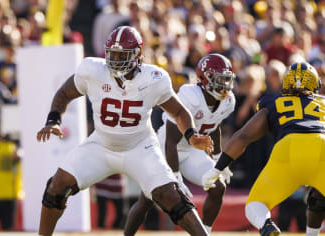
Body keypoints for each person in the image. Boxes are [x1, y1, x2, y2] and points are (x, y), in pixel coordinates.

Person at [36, 26, 213, 236]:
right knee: (56, 187)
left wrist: (191, 135)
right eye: (112, 53)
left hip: (140, 146)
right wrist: (53, 120)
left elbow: (179, 112)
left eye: (122, 54)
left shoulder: (153, 78)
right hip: (101, 145)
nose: (115, 59)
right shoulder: (93, 70)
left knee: (172, 197)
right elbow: (64, 92)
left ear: (138, 54)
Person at [202, 61, 325, 236]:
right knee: (319, 198)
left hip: (288, 149)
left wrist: (218, 167)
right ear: (316, 84)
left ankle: (267, 227)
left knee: (255, 205)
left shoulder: (274, 101)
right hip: (323, 148)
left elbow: (244, 136)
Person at [124, 53, 236, 235]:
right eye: (219, 79)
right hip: (164, 148)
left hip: (191, 151)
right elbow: (171, 141)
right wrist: (175, 175)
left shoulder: (228, 101)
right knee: (146, 201)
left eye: (226, 79)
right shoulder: (189, 95)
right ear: (204, 78)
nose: (224, 85)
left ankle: (205, 232)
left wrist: (217, 158)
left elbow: (214, 124)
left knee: (218, 187)